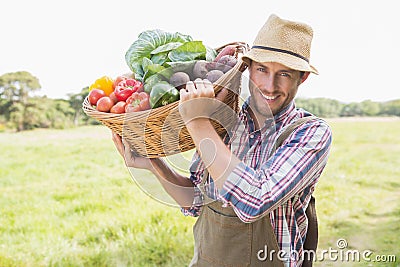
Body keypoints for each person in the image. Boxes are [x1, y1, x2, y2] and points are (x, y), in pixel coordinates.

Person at [112, 14, 332, 267]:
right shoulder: (222, 123)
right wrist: (153, 163)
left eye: (284, 74)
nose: (270, 86)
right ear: (248, 68)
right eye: (262, 70)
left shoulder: (309, 133)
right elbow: (196, 201)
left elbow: (254, 201)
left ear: (301, 77)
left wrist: (197, 121)